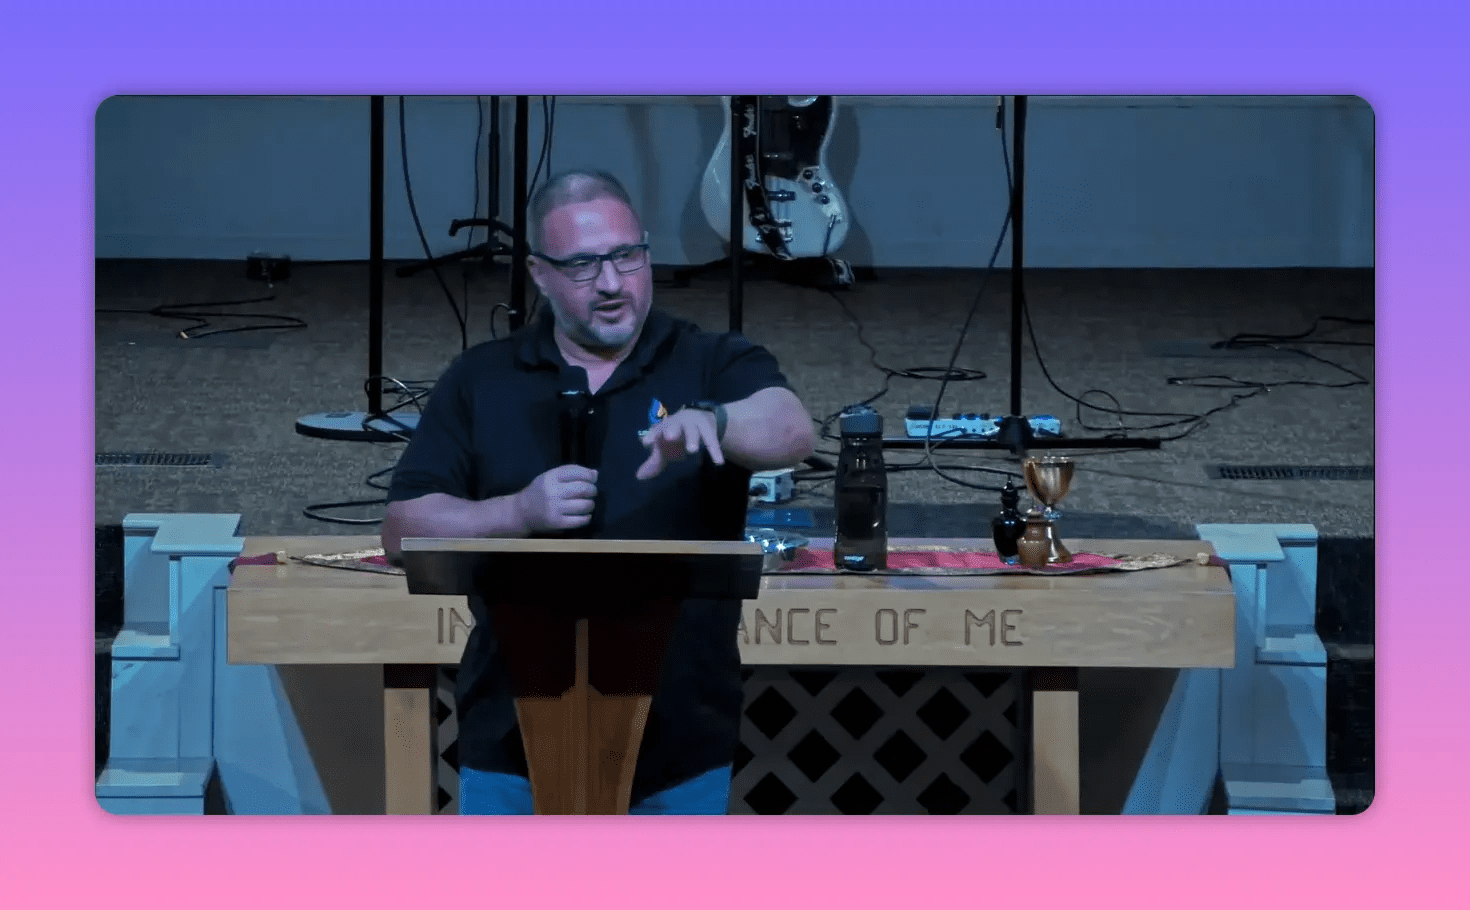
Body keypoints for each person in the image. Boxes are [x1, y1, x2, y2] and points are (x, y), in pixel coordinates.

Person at [381, 169, 816, 814]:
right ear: (540, 273)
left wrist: (716, 421)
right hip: (511, 741)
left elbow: (792, 428)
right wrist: (517, 512)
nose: (612, 284)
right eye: (583, 266)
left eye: (626, 257)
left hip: (681, 741)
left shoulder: (708, 360)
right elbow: (401, 529)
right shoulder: (484, 377)